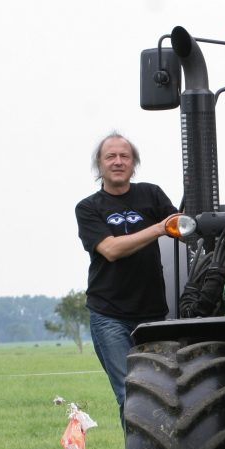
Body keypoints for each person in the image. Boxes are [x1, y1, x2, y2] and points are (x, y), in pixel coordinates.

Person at [75, 132, 177, 425]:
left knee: (163, 392)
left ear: (134, 164)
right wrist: (159, 228)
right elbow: (111, 250)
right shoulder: (89, 208)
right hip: (110, 315)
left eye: (124, 156)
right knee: (130, 393)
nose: (118, 162)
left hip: (154, 314)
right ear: (99, 164)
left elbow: (182, 227)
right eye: (111, 156)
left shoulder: (152, 194)